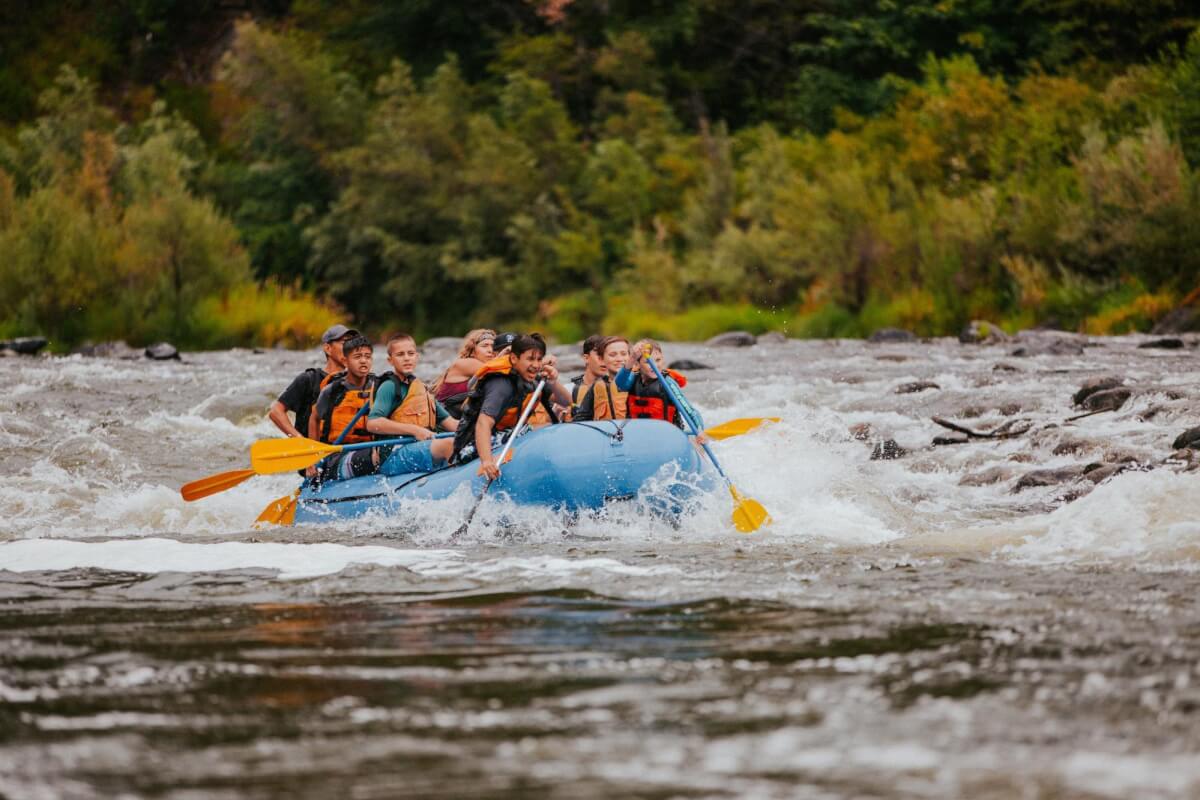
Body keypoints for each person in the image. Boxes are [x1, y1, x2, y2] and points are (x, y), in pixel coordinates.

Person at [452, 333, 572, 479]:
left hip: (510, 432)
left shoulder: (533, 378)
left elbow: (566, 402)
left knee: (549, 427)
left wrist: (553, 381)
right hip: (474, 444)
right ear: (514, 359)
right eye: (530, 359)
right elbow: (483, 423)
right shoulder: (501, 384)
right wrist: (487, 461)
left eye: (539, 359)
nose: (535, 365)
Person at [366, 333, 459, 472]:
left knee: (463, 443)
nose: (407, 358)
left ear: (417, 357)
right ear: (390, 360)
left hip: (421, 448)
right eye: (400, 354)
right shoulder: (389, 387)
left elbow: (451, 423)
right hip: (394, 455)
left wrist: (482, 428)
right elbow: (373, 423)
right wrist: (415, 430)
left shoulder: (422, 389)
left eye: (410, 353)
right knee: (449, 444)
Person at [268, 324, 358, 438]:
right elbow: (276, 412)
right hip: (312, 449)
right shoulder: (309, 379)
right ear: (328, 348)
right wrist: (298, 438)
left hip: (341, 448)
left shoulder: (357, 381)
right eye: (344, 342)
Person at [309, 335, 377, 481]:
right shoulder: (332, 391)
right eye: (357, 357)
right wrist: (312, 459)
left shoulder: (378, 387)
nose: (363, 361)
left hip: (371, 446)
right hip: (337, 455)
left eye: (367, 356)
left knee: (382, 451)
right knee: (377, 455)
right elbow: (314, 419)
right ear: (345, 361)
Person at [614, 338, 699, 430]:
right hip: (637, 432)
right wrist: (632, 358)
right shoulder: (634, 379)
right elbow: (620, 383)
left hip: (667, 434)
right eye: (647, 362)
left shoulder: (668, 383)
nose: (655, 365)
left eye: (658, 360)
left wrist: (699, 430)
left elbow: (689, 410)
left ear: (663, 360)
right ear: (637, 365)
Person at [431, 329, 495, 418]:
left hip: (459, 422)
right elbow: (497, 372)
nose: (490, 350)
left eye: (494, 346)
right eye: (485, 346)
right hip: (442, 424)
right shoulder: (466, 363)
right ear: (472, 351)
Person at [573, 336, 631, 421]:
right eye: (612, 355)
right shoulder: (597, 386)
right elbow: (581, 418)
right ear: (602, 359)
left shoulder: (640, 382)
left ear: (630, 357)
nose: (619, 359)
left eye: (624, 354)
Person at [560, 334, 606, 420]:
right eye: (599, 355)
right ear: (586, 358)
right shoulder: (569, 390)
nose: (604, 360)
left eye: (607, 355)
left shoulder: (618, 388)